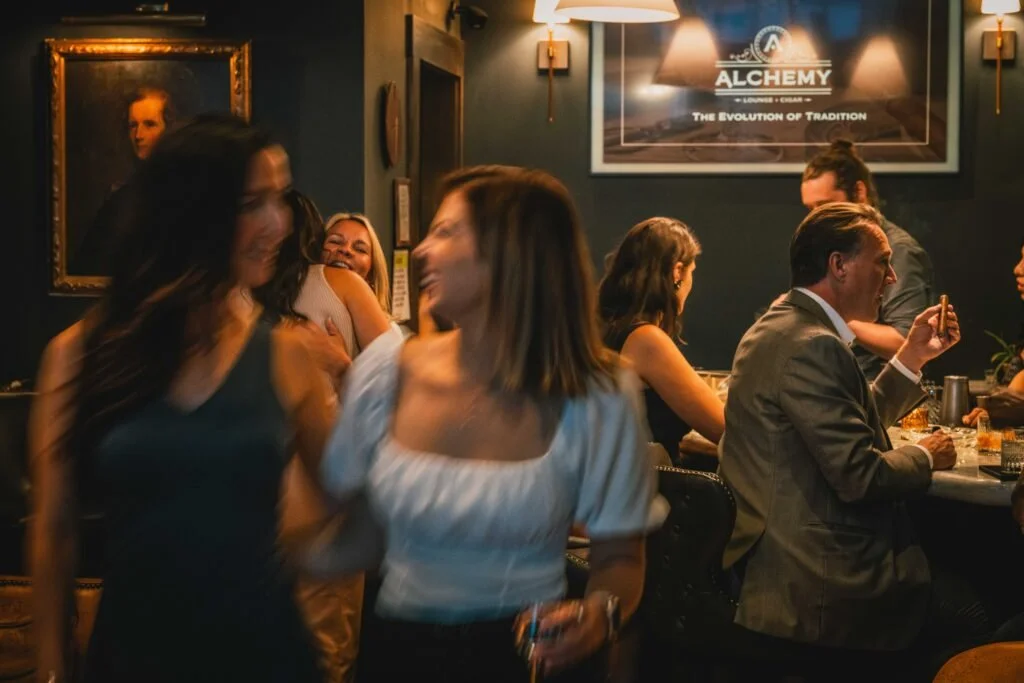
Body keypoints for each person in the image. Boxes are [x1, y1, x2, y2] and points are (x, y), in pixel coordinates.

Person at [316, 165, 667, 682]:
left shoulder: (598, 391)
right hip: (395, 651)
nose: (422, 250)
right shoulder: (387, 371)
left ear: (509, 254)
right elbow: (355, 532)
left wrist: (598, 617)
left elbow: (621, 558)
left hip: (524, 653)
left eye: (446, 232)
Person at [30, 114, 331, 683]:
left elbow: (346, 502)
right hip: (133, 658)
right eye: (252, 204)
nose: (280, 223)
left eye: (281, 199)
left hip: (264, 655)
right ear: (191, 214)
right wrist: (51, 669)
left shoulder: (287, 355)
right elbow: (54, 531)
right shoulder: (80, 353)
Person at [719, 202, 984, 679]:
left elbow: (845, 424)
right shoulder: (813, 343)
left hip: (775, 567)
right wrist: (925, 455)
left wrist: (912, 357)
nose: (892, 279)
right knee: (979, 611)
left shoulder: (782, 327)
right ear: (838, 265)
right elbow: (860, 477)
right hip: (818, 584)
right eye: (882, 263)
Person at [254, 182, 393, 683]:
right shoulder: (234, 298)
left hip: (296, 491)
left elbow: (397, 382)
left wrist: (342, 364)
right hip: (289, 496)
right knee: (320, 651)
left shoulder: (334, 285)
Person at [801, 139, 934, 380]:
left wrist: (826, 313)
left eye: (825, 205)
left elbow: (907, 342)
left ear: (859, 192)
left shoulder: (899, 250)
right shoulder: (830, 247)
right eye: (810, 208)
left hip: (876, 391)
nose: (816, 217)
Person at [598, 217, 725, 469]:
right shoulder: (646, 340)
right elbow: (724, 428)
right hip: (651, 489)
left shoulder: (608, 327)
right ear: (677, 272)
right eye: (691, 272)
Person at [71, 87, 178, 275]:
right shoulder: (120, 200)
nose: (138, 135)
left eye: (150, 124)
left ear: (169, 130)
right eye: (133, 125)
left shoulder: (186, 191)